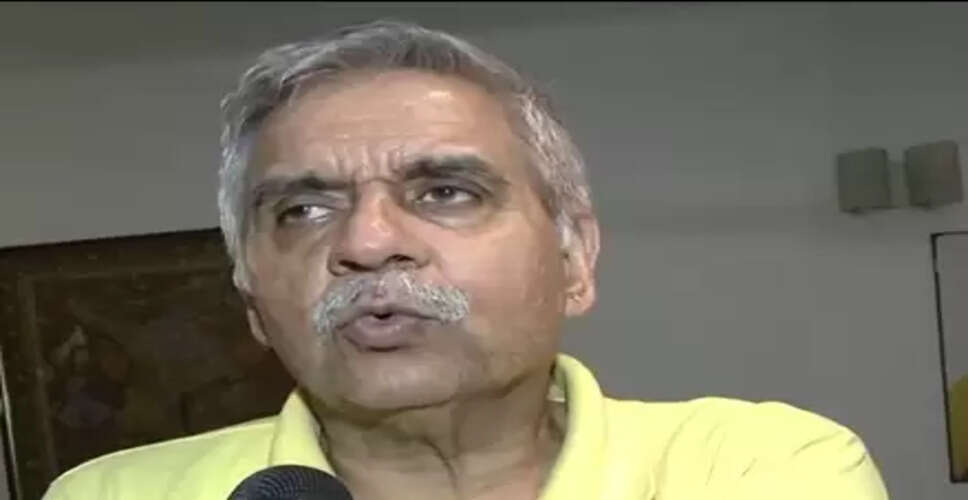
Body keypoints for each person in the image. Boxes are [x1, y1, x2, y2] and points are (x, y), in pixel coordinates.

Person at [43, 19, 889, 500]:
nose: (367, 243)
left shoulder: (755, 466)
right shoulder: (111, 498)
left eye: (446, 192)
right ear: (252, 295)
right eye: (303, 210)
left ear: (574, 259)